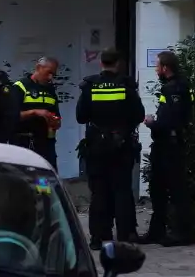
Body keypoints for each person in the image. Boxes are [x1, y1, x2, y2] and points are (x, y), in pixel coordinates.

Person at [76, 48, 145, 248]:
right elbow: (139, 115)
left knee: (99, 191)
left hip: (97, 146)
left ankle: (99, 236)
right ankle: (127, 234)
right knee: (122, 189)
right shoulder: (126, 85)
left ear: (101, 63)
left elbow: (81, 117)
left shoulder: (89, 86)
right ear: (118, 63)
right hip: (122, 145)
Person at [144, 50, 195, 246]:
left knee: (174, 189)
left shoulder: (172, 89)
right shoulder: (182, 85)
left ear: (165, 68)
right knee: (159, 188)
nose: (156, 69)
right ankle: (157, 231)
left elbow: (169, 120)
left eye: (157, 66)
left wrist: (151, 123)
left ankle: (182, 233)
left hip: (169, 146)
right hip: (172, 144)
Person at [12, 57, 62, 169]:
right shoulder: (20, 87)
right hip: (23, 145)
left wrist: (55, 121)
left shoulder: (50, 90)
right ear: (38, 67)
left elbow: (57, 116)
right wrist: (34, 112)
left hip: (46, 147)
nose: (50, 77)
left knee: (45, 182)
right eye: (48, 73)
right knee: (24, 181)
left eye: (53, 74)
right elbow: (11, 117)